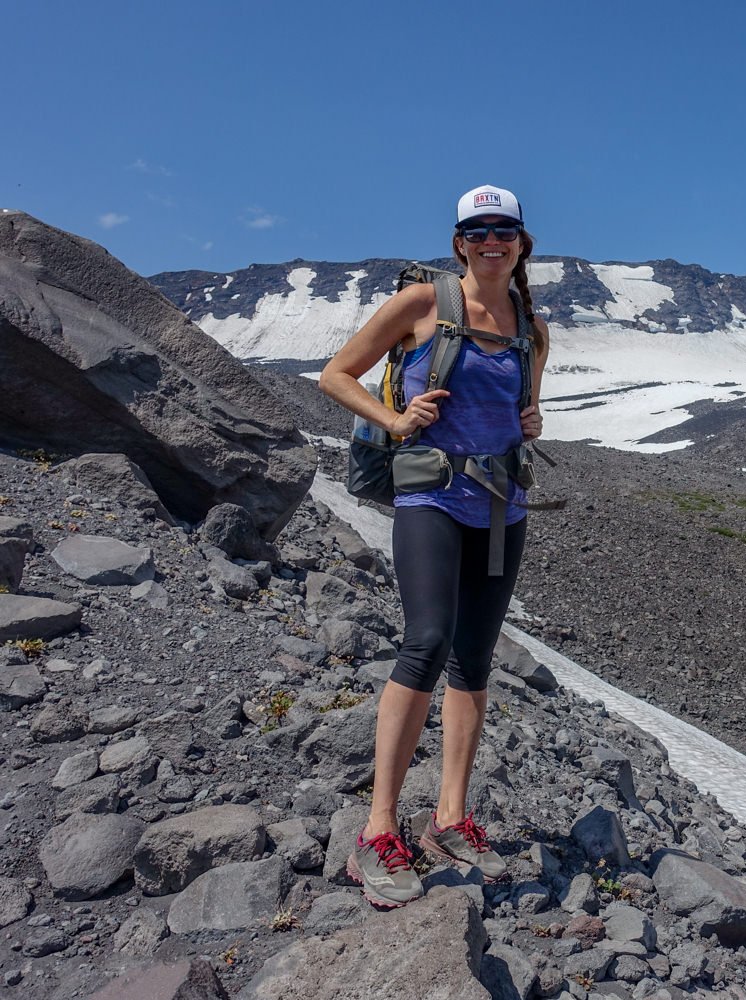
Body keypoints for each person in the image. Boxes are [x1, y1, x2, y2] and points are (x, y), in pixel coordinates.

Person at [319, 184, 548, 908]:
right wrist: (393, 418)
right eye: (477, 230)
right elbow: (334, 374)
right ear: (458, 242)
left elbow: (524, 407)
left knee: (475, 659)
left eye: (503, 230)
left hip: (502, 507)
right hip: (432, 499)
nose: (491, 241)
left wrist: (532, 420)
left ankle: (450, 816)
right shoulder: (422, 305)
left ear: (520, 241)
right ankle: (377, 830)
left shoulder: (530, 326)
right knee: (426, 640)